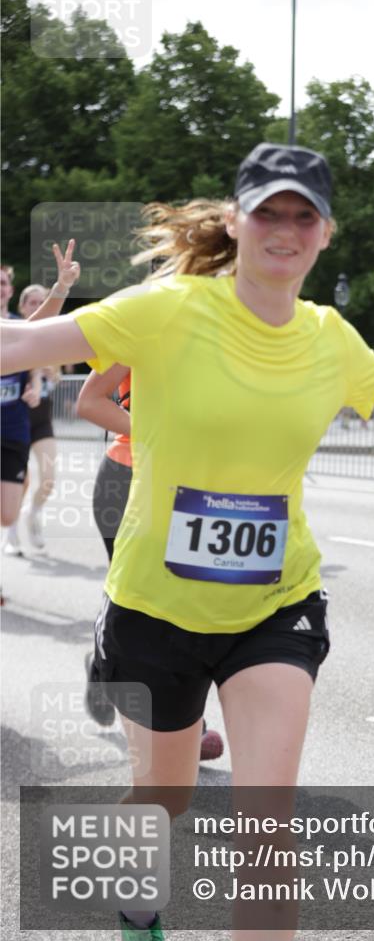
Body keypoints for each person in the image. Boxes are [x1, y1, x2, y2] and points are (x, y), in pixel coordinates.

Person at [2, 142, 374, 941]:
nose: (284, 228)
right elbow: (21, 346)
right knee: (164, 800)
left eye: (303, 215)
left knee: (266, 826)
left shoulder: (326, 335)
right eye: (266, 210)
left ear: (326, 233)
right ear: (235, 221)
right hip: (154, 608)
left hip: (275, 605)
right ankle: (136, 912)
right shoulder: (166, 309)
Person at [76, 363, 224, 760]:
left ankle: (105, 670)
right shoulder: (143, 329)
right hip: (126, 477)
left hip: (188, 483)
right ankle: (183, 723)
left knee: (183, 598)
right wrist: (160, 433)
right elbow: (89, 402)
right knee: (137, 599)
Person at [1, 246, 79, 591]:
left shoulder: (11, 330)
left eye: (3, 282)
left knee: (7, 513)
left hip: (15, 426)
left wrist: (61, 287)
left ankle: (26, 519)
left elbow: (35, 331)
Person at [3, 285, 61, 554]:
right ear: (23, 305)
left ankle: (32, 513)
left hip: (40, 419)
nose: (37, 306)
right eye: (33, 302)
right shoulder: (16, 330)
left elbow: (55, 377)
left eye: (41, 301)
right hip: (18, 417)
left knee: (48, 478)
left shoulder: (52, 337)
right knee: (20, 482)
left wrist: (47, 375)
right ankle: (11, 534)